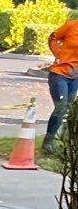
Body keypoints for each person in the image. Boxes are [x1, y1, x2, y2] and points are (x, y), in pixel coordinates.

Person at [44, 13, 78, 156]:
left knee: (70, 110)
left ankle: (66, 142)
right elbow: (53, 37)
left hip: (75, 77)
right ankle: (48, 142)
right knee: (61, 107)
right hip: (59, 74)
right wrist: (58, 54)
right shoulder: (71, 25)